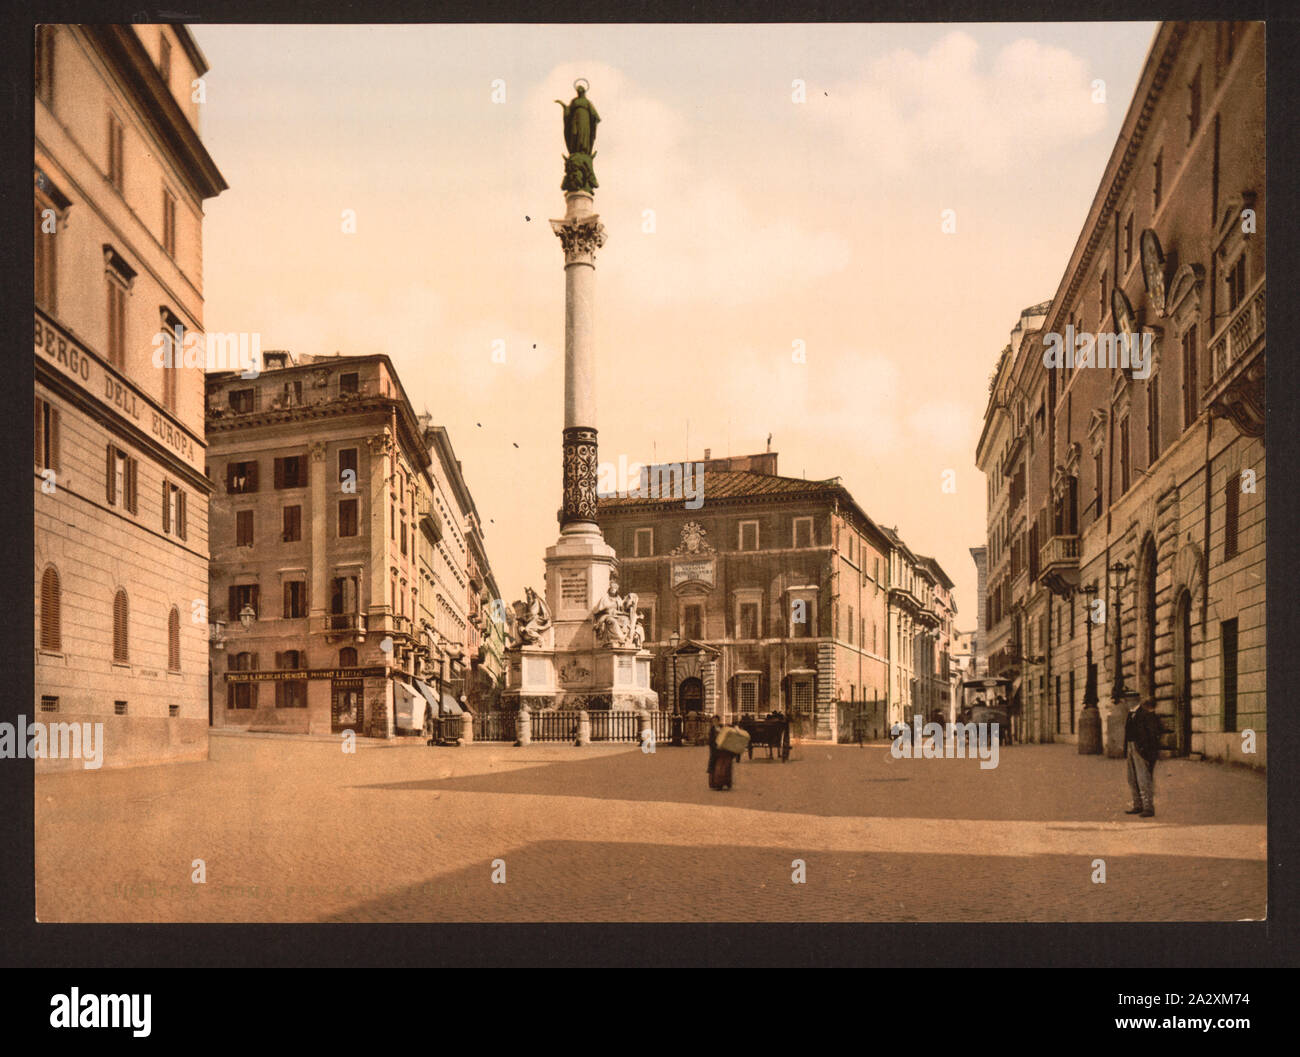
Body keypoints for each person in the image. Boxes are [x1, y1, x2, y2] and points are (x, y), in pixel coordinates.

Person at [1124, 697, 1163, 818]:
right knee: (1132, 778)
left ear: (1134, 701)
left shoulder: (1146, 715)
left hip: (1141, 750)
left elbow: (1153, 735)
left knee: (1143, 779)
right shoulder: (1131, 714)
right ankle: (1137, 805)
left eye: (1128, 700)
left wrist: (1144, 751)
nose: (1126, 702)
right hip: (1131, 748)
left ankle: (1148, 808)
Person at [707, 715, 736, 791]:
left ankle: (725, 782)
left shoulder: (722, 728)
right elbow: (711, 740)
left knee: (724, 766)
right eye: (713, 721)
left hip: (722, 750)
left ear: (718, 721)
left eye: (716, 721)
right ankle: (716, 784)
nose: (715, 722)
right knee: (716, 766)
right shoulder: (712, 730)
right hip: (715, 750)